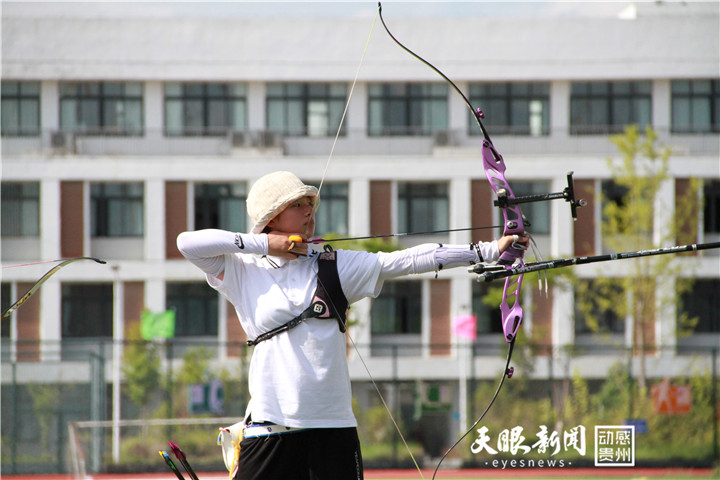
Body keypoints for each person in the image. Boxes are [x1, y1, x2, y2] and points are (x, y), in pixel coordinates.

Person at [176, 171, 526, 480]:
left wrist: (488, 250)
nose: (309, 210)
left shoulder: (334, 265)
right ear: (273, 217)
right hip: (270, 423)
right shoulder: (242, 269)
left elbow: (406, 261)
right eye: (298, 205)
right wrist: (267, 244)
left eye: (309, 203)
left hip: (333, 425)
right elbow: (187, 243)